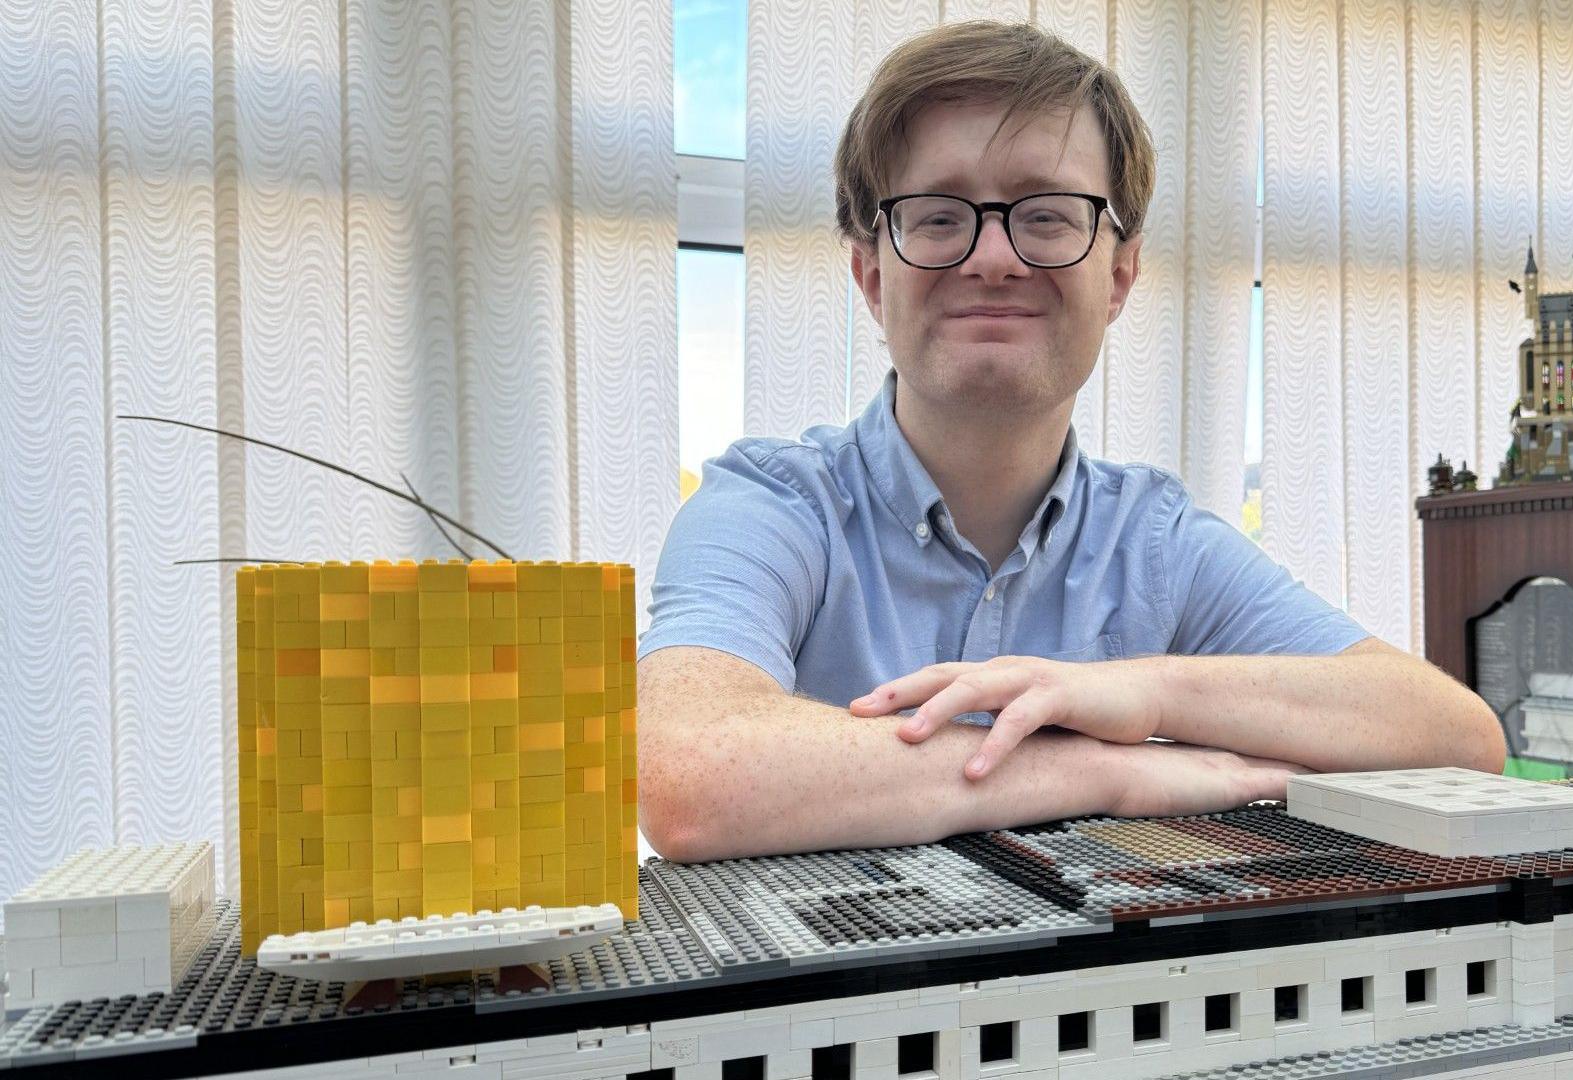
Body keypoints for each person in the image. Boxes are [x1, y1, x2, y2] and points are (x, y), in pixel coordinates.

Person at [634, 20, 1503, 863]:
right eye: (939, 217)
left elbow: (1454, 738)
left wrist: (1138, 690)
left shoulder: (1155, 539)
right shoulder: (771, 504)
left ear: (1118, 275)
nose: (993, 258)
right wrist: (1100, 769)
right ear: (872, 275)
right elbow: (690, 773)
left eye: (1046, 216)